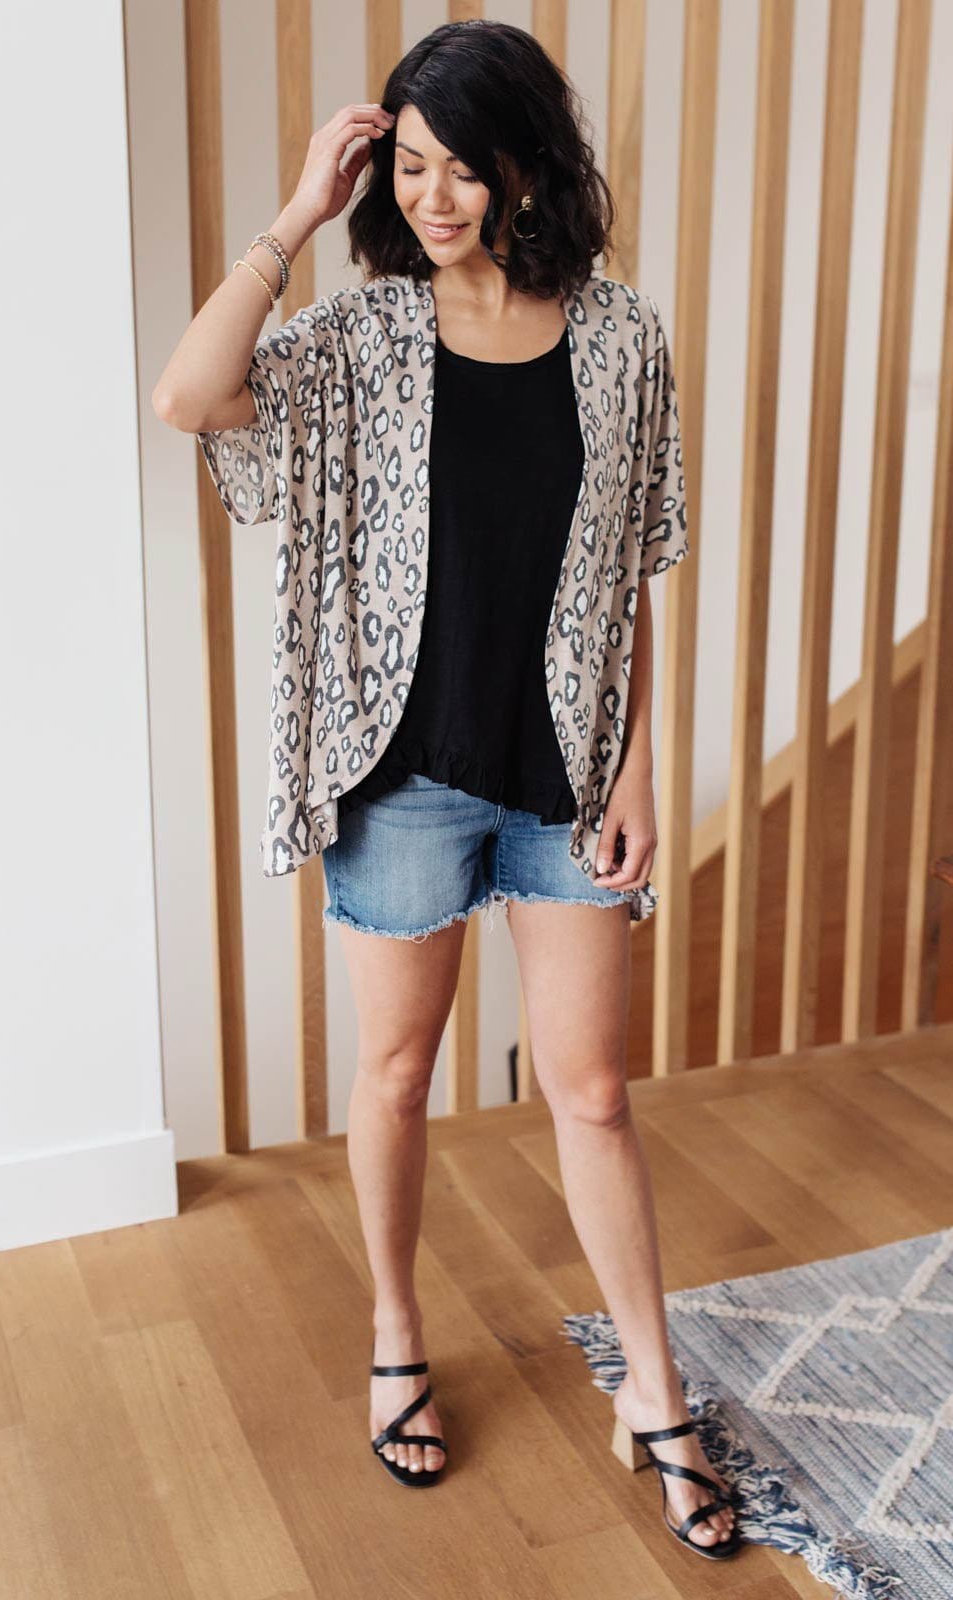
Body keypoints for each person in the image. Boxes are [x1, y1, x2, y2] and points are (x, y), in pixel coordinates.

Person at [154, 17, 740, 1562]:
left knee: (592, 1093)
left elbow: (634, 571)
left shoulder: (621, 339)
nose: (431, 197)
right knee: (401, 1075)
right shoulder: (359, 339)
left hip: (564, 780)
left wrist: (638, 762)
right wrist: (298, 213)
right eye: (408, 167)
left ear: (526, 168)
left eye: (462, 169)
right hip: (402, 775)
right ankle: (398, 1331)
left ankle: (654, 1391)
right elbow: (190, 399)